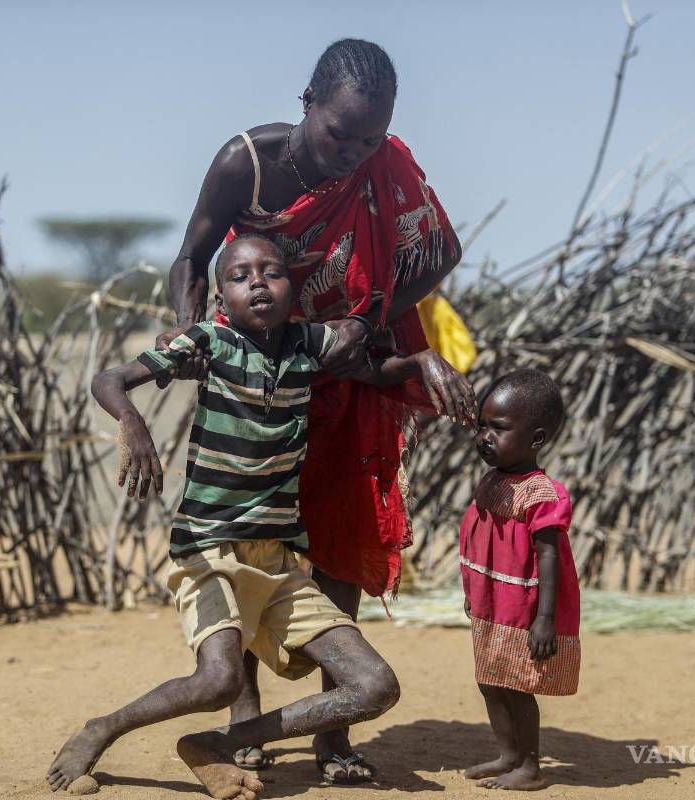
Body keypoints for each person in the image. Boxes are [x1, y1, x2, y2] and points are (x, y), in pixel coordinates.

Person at [158, 37, 476, 783]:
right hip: (259, 373)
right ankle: (241, 716)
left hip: (349, 367)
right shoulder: (247, 165)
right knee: (247, 534)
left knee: (338, 536)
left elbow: (442, 251)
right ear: (307, 104)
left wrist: (370, 318)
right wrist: (190, 330)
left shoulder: (383, 168)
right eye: (341, 134)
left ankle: (334, 734)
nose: (355, 153)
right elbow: (192, 257)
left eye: (371, 138)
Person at [47, 235, 441, 798]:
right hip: (208, 550)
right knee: (218, 680)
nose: (257, 282)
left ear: (292, 289)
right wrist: (132, 424)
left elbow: (374, 369)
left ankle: (216, 743)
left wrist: (423, 360)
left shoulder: (308, 343)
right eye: (239, 276)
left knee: (375, 685)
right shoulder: (209, 341)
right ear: (220, 301)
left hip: (277, 563)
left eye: (271, 272)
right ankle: (102, 728)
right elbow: (107, 379)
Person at [459, 369, 580, 791]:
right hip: (493, 604)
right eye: (482, 426)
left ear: (536, 438)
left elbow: (549, 558)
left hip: (523, 611)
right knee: (489, 679)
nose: (484, 437)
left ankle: (530, 767)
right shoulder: (494, 481)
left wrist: (544, 619)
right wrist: (473, 592)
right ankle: (507, 755)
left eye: (499, 428)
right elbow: (481, 541)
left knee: (517, 686)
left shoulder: (542, 495)